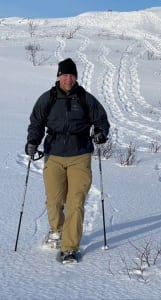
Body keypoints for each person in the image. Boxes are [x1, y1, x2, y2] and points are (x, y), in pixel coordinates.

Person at [25, 58, 110, 263]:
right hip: (53, 155)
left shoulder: (85, 99)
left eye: (72, 75)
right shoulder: (48, 98)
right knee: (54, 201)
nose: (68, 79)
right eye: (64, 75)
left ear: (76, 77)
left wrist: (100, 132)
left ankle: (69, 248)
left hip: (79, 156)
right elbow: (36, 122)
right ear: (58, 76)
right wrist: (32, 142)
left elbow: (101, 120)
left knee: (75, 202)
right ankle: (57, 230)